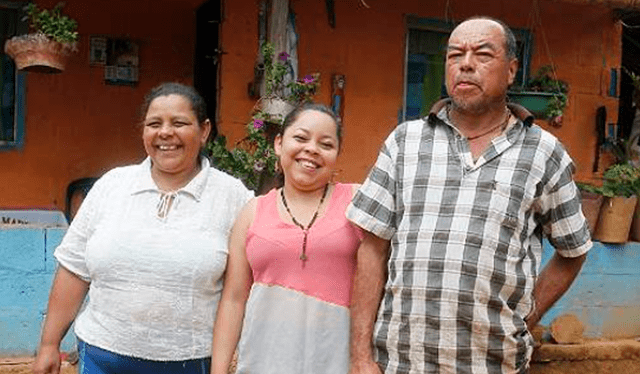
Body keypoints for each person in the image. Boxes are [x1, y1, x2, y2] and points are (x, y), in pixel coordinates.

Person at [347, 16, 592, 374]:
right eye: (455, 54)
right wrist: (360, 357)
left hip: (494, 363)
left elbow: (573, 250)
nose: (465, 63)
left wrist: (526, 316)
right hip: (401, 362)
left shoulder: (543, 153)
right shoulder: (405, 142)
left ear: (511, 71)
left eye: (482, 54)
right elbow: (371, 249)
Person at [33, 82, 253, 374]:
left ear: (204, 130)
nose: (165, 133)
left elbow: (238, 292)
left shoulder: (233, 197)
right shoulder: (112, 185)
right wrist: (49, 343)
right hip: (102, 359)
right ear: (143, 132)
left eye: (179, 123)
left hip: (189, 363)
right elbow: (74, 268)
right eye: (154, 124)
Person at [211, 103, 363, 374]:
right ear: (279, 144)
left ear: (337, 154)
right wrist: (219, 370)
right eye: (301, 138)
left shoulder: (357, 203)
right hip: (263, 362)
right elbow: (233, 299)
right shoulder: (253, 212)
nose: (312, 149)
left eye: (326, 144)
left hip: (337, 364)